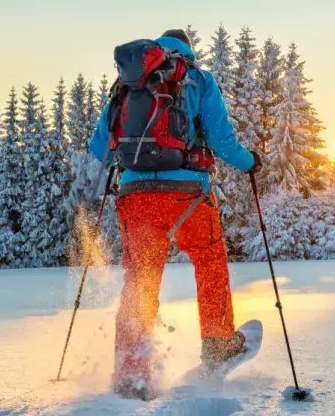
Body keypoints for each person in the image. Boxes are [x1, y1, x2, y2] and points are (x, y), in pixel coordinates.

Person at [88, 28, 262, 400]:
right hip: (188, 196)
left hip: (135, 197)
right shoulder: (197, 78)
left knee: (140, 280)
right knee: (209, 260)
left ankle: (132, 373)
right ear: (188, 51)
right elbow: (220, 139)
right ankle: (217, 343)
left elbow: (99, 147)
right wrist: (250, 163)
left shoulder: (127, 83)